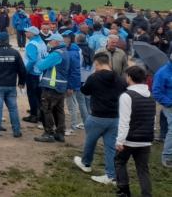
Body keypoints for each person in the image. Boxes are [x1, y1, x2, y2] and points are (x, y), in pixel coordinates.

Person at [73, 53, 128, 185]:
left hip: (97, 116)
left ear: (97, 63)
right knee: (110, 148)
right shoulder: (119, 79)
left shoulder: (94, 77)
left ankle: (86, 163)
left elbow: (85, 91)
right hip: (115, 117)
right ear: (108, 63)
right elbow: (124, 93)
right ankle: (111, 175)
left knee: (90, 142)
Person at [114, 66, 155, 197]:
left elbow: (124, 121)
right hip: (146, 140)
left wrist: (120, 140)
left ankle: (124, 191)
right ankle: (146, 194)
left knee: (119, 162)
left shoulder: (126, 96)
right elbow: (152, 118)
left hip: (129, 139)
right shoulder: (150, 96)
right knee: (143, 170)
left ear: (130, 78)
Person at [34, 33, 70, 143]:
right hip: (60, 86)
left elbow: (41, 66)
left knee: (46, 109)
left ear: (56, 42)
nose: (48, 43)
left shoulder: (56, 54)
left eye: (50, 41)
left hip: (51, 87)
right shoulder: (65, 52)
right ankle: (60, 133)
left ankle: (48, 133)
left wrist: (41, 59)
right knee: (59, 110)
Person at [23, 26, 47, 124]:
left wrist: (25, 71)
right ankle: (41, 114)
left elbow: (32, 60)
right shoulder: (41, 42)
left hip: (33, 73)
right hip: (41, 71)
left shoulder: (31, 44)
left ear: (32, 34)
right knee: (39, 95)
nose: (25, 33)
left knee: (32, 95)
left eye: (27, 32)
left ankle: (34, 115)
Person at [152, 59, 172, 168]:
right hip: (169, 104)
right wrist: (169, 103)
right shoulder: (162, 72)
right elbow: (156, 92)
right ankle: (167, 156)